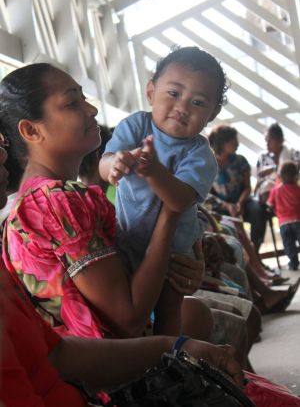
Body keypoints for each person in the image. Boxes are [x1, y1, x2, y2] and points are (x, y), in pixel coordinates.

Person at [0, 63, 211, 343]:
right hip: (115, 373)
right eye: (72, 103)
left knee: (201, 316)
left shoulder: (41, 198)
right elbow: (129, 319)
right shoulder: (57, 202)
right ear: (31, 130)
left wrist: (177, 272)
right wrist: (170, 214)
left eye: (84, 98)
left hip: (105, 361)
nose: (92, 110)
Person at [99, 46, 227, 335]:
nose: (182, 107)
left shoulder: (200, 152)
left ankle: (166, 359)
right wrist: (114, 165)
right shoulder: (135, 125)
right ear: (151, 90)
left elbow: (180, 200)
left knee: (169, 307)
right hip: (127, 238)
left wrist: (154, 171)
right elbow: (104, 165)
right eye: (173, 93)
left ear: (212, 113)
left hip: (176, 252)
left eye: (197, 102)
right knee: (131, 303)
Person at [208, 123, 268, 254]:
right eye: (233, 141)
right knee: (227, 224)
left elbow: (247, 187)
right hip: (221, 206)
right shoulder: (209, 164)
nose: (237, 144)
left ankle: (255, 252)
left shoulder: (241, 161)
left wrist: (239, 203)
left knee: (258, 211)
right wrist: (227, 206)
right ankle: (243, 257)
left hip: (243, 201)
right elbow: (208, 194)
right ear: (222, 143)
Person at [267, 161, 300, 271]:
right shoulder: (298, 189)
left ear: (280, 176)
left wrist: (276, 213)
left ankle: (293, 263)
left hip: (283, 223)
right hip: (298, 221)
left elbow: (269, 205)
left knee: (288, 244)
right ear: (296, 176)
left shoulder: (275, 190)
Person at [256, 122, 300, 204]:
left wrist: (274, 168)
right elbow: (260, 177)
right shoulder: (263, 156)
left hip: (290, 188)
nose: (267, 144)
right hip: (269, 193)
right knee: (267, 187)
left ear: (280, 140)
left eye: (270, 140)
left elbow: (294, 169)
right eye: (266, 140)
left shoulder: (292, 153)